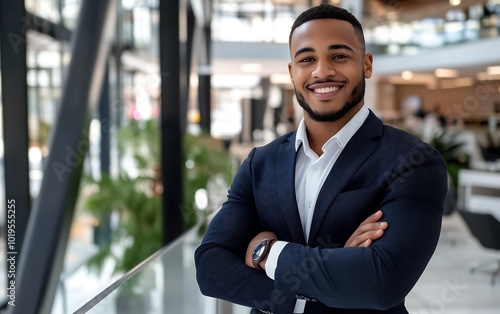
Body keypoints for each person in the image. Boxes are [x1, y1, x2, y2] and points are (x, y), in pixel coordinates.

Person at [195, 4, 448, 314]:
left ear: (366, 65)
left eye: (339, 56)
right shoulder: (260, 162)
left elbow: (382, 282)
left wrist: (267, 253)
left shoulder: (414, 161)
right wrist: (330, 276)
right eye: (307, 59)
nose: (322, 71)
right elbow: (210, 267)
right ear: (292, 72)